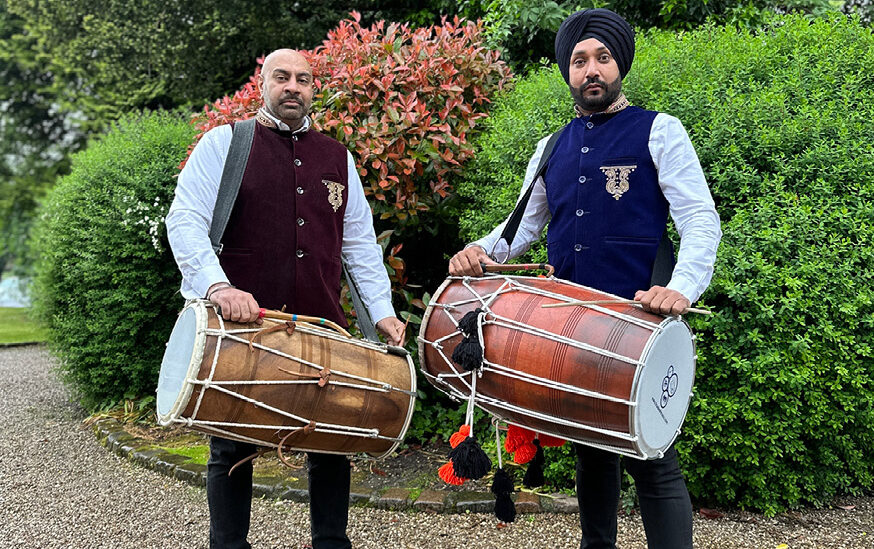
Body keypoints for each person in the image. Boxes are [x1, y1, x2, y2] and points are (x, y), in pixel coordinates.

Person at [448, 8, 721, 549]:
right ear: (567, 72)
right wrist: (478, 251)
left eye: (602, 58)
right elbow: (518, 229)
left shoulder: (659, 131)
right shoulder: (551, 147)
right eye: (579, 61)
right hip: (570, 325)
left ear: (620, 64)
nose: (591, 69)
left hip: (638, 325)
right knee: (592, 452)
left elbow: (700, 219)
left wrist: (682, 288)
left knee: (653, 459)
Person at [166, 49, 405, 549]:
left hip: (324, 325)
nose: (293, 86)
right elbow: (184, 220)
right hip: (245, 327)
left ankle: (331, 543)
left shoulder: (337, 157)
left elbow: (358, 243)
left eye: (303, 79)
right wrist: (219, 286)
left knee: (332, 441)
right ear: (262, 83)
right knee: (231, 443)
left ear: (313, 89)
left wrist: (381, 314)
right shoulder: (225, 143)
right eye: (282, 77)